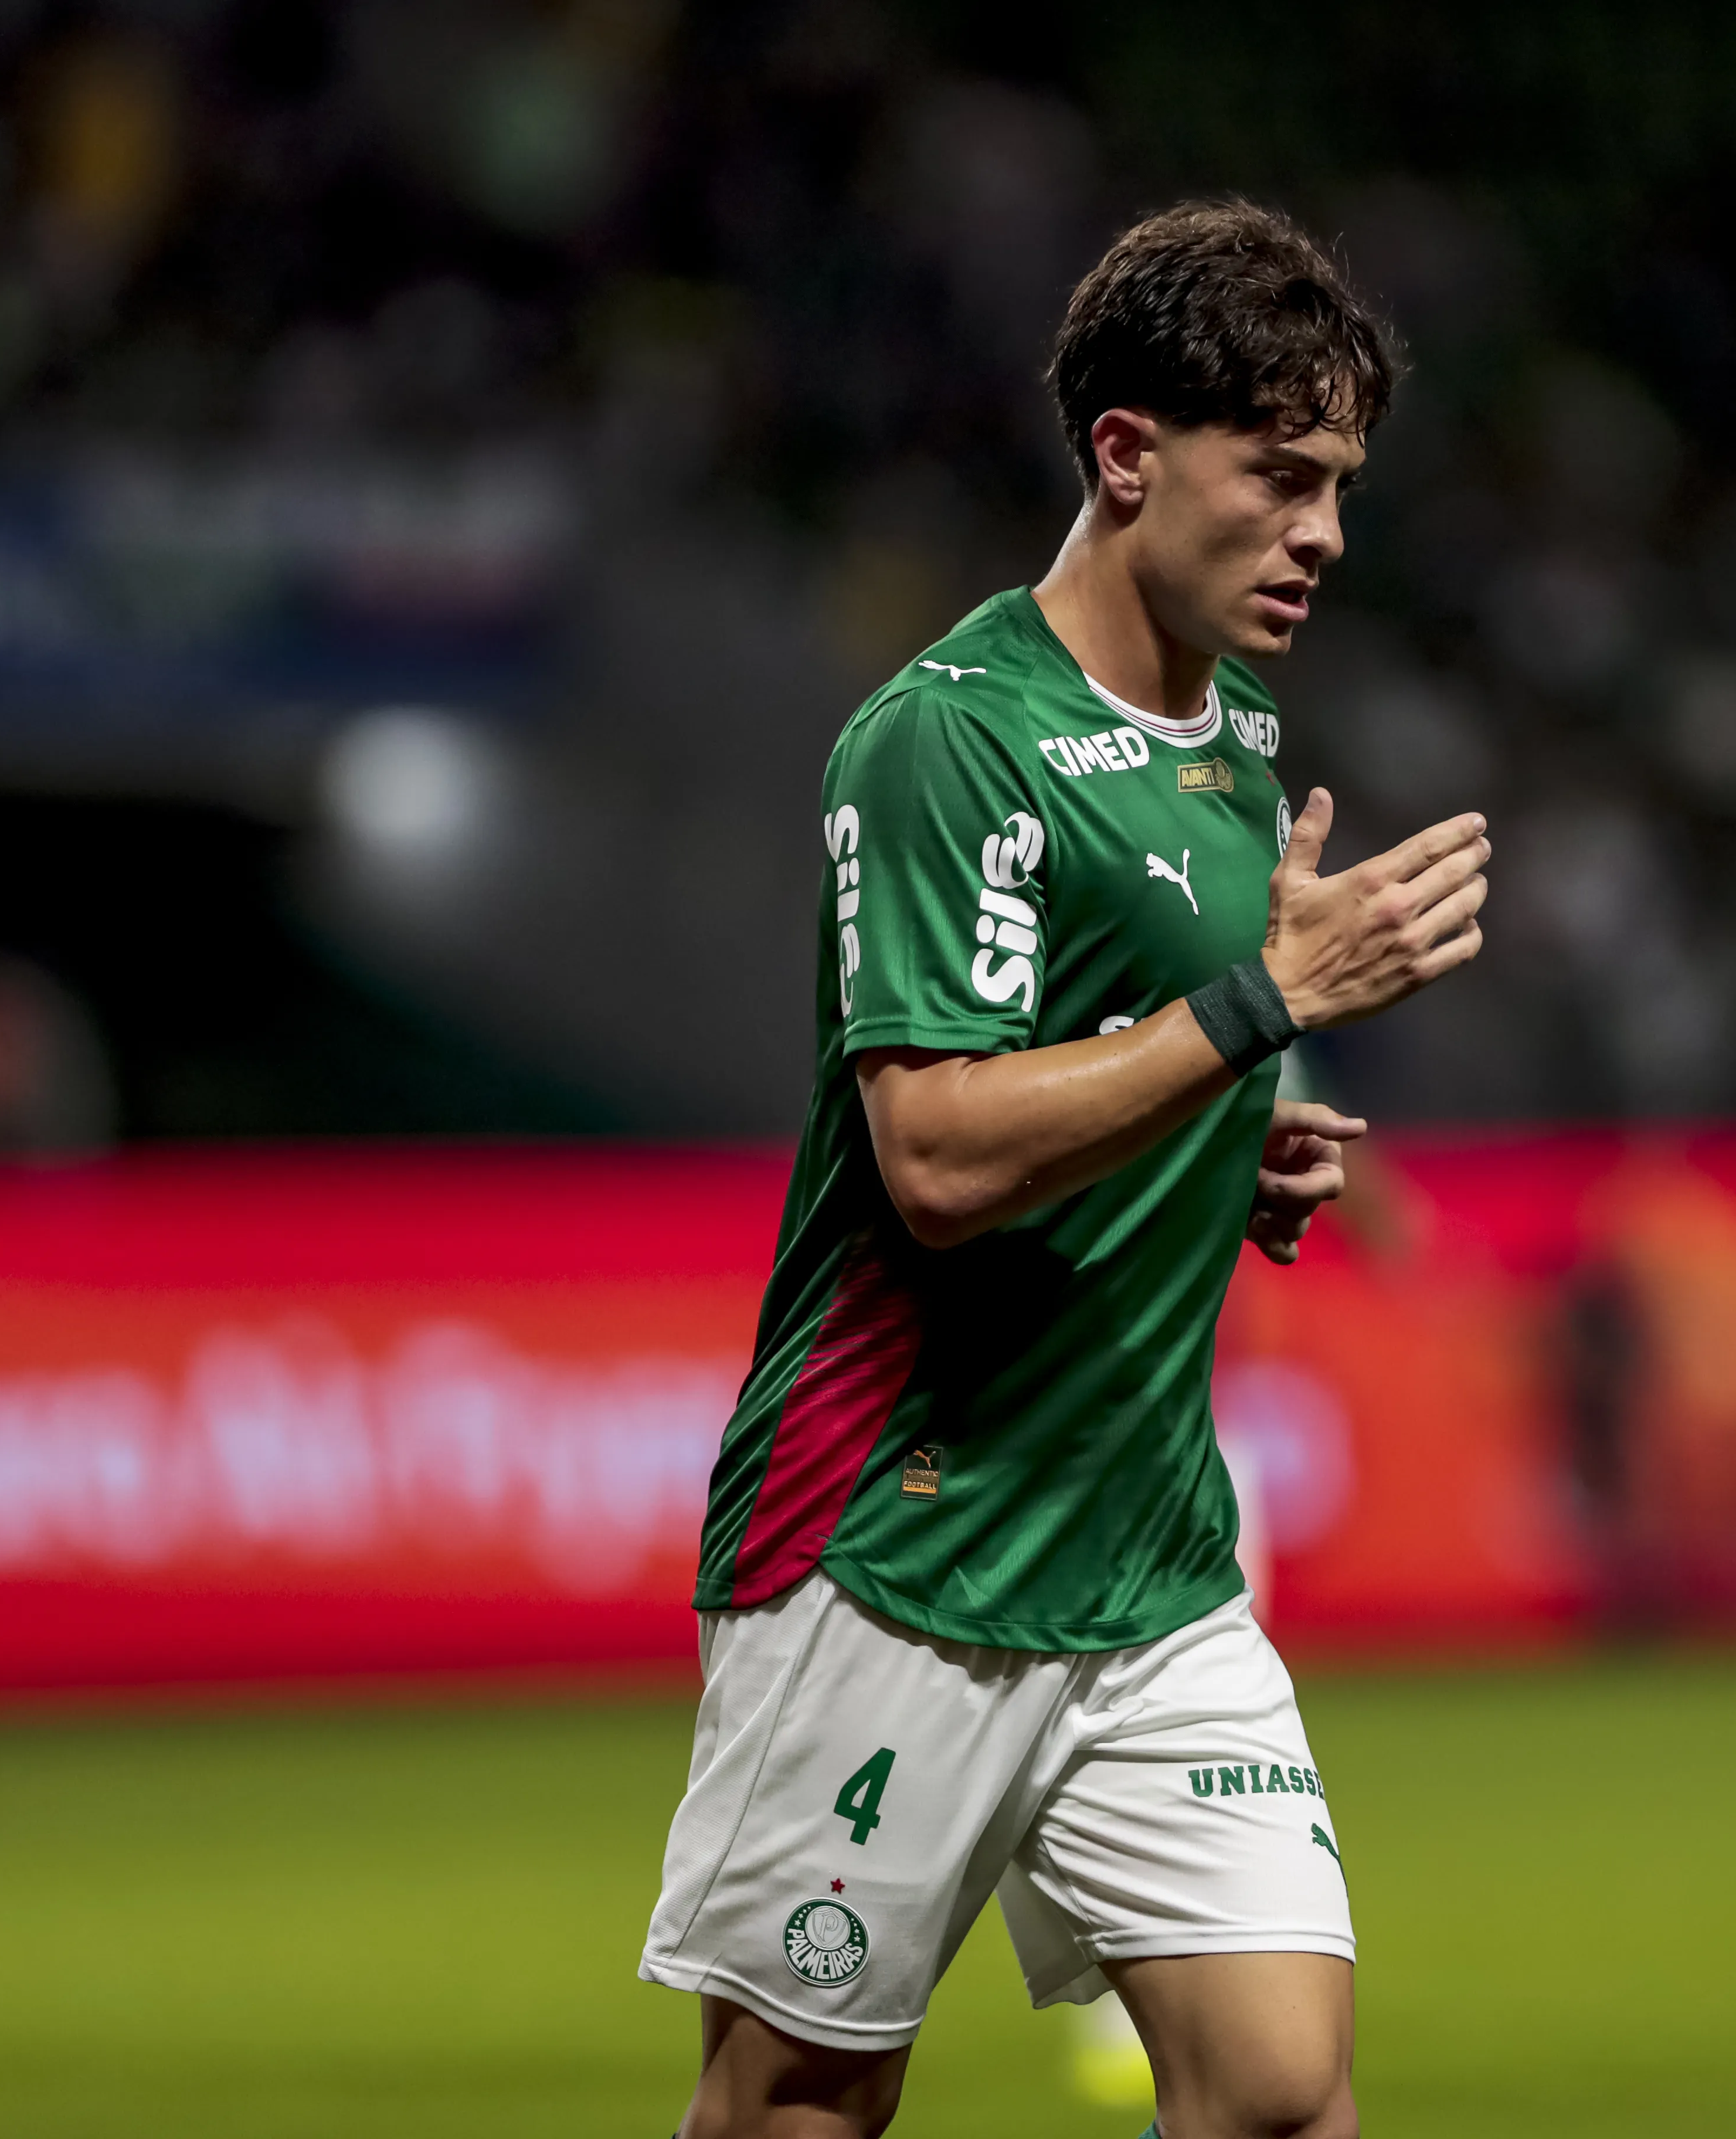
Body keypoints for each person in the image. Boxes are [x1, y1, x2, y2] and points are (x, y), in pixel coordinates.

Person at [638, 199, 1491, 2139]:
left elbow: (1113, 1073)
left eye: (1341, 487)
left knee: (1279, 2093)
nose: (1325, 537)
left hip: (1152, 1559)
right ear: (1126, 456)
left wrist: (1217, 1149)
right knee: (801, 2104)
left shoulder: (1239, 741)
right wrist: (1263, 1006)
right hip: (897, 1546)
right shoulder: (946, 747)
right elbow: (934, 1156)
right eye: (1282, 479)